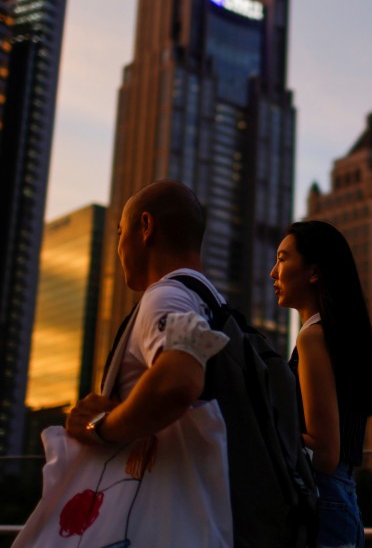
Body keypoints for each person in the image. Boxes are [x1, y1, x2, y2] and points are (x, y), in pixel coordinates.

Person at [56, 179, 233, 546]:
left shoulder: (165, 295)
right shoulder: (216, 305)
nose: (119, 246)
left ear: (146, 227)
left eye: (120, 232)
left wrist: (99, 427)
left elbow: (178, 382)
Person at [270, 220, 372, 548]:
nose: (273, 272)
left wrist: (263, 428)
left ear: (314, 271)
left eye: (282, 258)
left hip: (321, 500)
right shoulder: (337, 337)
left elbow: (323, 453)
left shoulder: (313, 337)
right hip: (340, 498)